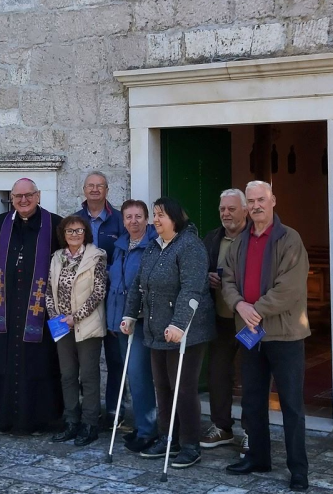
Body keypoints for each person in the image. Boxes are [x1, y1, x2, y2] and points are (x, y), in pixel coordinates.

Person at [221, 181, 311, 492]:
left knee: (291, 405)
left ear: (273, 200)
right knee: (253, 401)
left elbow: (290, 287)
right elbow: (227, 279)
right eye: (252, 201)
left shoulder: (289, 239)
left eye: (262, 199)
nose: (257, 205)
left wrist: (253, 309)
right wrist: (239, 305)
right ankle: (258, 458)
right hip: (251, 334)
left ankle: (298, 469)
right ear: (247, 207)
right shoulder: (239, 242)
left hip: (284, 334)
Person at [120, 197, 214, 469]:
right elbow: (139, 283)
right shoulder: (153, 246)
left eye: (161, 215)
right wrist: (129, 315)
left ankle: (190, 444)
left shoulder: (190, 246)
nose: (155, 220)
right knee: (162, 387)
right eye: (155, 215)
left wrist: (179, 324)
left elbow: (192, 289)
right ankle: (168, 437)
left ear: (175, 218)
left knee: (183, 389)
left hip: (187, 333)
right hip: (156, 329)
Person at [0, 178, 64, 433]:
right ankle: (6, 418)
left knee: (40, 363)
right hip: (6, 305)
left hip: (41, 309)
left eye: (28, 195)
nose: (23, 200)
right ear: (11, 199)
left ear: (38, 196)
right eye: (18, 196)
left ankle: (40, 419)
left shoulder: (55, 224)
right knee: (5, 362)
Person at [46, 214, 108, 447]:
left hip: (87, 325)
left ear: (86, 233)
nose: (74, 235)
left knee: (89, 377)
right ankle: (71, 421)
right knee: (68, 375)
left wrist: (76, 317)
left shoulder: (96, 257)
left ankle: (90, 424)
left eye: (79, 231)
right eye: (70, 231)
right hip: (62, 326)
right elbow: (48, 290)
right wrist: (56, 316)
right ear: (63, 233)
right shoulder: (56, 257)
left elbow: (98, 292)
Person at [73, 171, 126, 431]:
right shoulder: (74, 221)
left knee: (116, 359)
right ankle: (88, 409)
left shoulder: (120, 220)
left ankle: (116, 412)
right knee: (86, 360)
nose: (95, 189)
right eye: (90, 186)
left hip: (114, 300)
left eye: (100, 186)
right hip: (83, 303)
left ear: (107, 189)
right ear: (84, 189)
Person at [106, 199, 158, 452]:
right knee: (131, 375)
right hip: (120, 321)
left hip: (139, 320)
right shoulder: (120, 246)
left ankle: (148, 430)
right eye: (129, 217)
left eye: (138, 216)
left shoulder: (154, 246)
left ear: (147, 219)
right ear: (123, 220)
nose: (133, 221)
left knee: (139, 375)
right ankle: (141, 426)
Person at [200, 189, 248, 450]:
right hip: (220, 318)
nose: (226, 214)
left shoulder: (256, 237)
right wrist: (208, 276)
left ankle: (251, 430)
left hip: (250, 319)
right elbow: (200, 269)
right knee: (218, 373)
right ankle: (222, 427)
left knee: (252, 374)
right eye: (222, 209)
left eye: (231, 208)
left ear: (245, 210)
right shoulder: (212, 238)